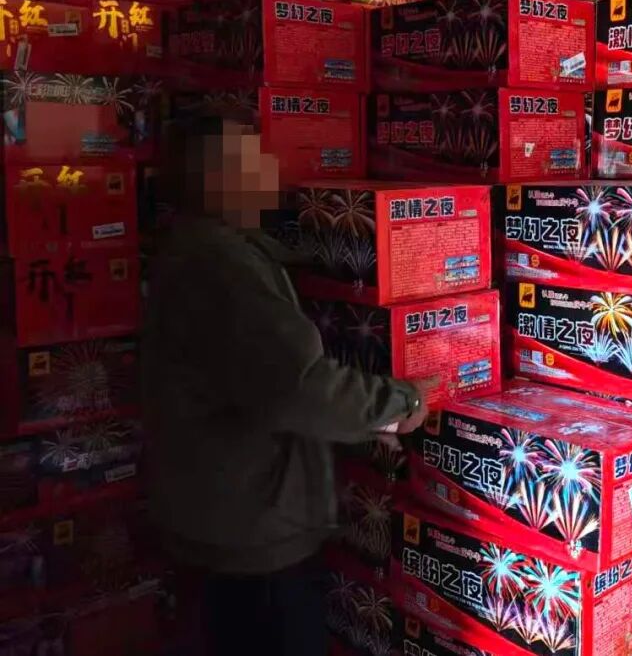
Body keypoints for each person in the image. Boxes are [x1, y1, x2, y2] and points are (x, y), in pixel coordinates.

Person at [141, 115, 425, 656]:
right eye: (254, 161)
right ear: (216, 179)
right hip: (251, 542)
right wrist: (399, 403)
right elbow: (296, 388)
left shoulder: (205, 250)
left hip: (222, 522)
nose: (271, 171)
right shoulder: (219, 267)